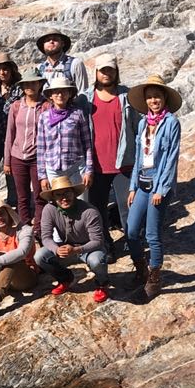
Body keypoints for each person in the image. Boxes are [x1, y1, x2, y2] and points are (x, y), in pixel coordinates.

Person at [125, 74, 183, 300]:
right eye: (149, 97)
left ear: (164, 98)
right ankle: (141, 268)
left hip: (159, 184)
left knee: (152, 234)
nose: (153, 101)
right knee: (130, 230)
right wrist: (132, 186)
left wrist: (161, 189)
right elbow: (138, 156)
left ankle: (155, 276)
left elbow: (171, 159)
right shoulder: (142, 124)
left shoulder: (171, 123)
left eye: (157, 96)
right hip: (142, 181)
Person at [84, 53, 139, 258]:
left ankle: (132, 245)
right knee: (96, 209)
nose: (106, 74)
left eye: (110, 70)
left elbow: (137, 127)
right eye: (102, 70)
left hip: (123, 164)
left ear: (116, 72)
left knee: (127, 209)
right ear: (96, 73)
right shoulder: (86, 98)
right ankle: (105, 245)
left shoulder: (128, 96)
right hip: (96, 165)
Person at [35, 173, 109, 303]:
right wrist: (56, 249)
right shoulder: (49, 209)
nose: (64, 198)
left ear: (74, 193)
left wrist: (77, 250)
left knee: (96, 260)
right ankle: (65, 278)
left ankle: (102, 283)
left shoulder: (89, 211)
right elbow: (45, 237)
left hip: (89, 248)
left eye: (67, 193)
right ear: (53, 197)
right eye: (58, 194)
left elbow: (98, 241)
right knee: (39, 256)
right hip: (66, 246)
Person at [4, 68, 47, 241]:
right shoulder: (16, 106)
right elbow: (10, 134)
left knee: (39, 195)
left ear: (40, 84)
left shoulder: (46, 106)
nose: (30, 86)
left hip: (38, 157)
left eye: (33, 83)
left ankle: (38, 229)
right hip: (17, 156)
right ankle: (24, 227)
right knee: (22, 196)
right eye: (26, 84)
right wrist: (7, 161)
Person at [36, 73, 93, 198]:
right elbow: (41, 148)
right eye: (56, 92)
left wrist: (89, 170)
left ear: (69, 94)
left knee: (82, 204)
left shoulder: (78, 114)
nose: (60, 95)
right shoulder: (44, 117)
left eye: (64, 91)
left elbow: (87, 144)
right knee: (60, 206)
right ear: (50, 95)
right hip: (53, 169)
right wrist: (42, 176)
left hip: (76, 167)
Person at [0, 51, 21, 201]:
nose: (2, 73)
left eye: (5, 69)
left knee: (11, 170)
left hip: (15, 136)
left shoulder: (19, 88)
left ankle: (14, 200)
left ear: (11, 69)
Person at [35, 28, 90, 94]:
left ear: (62, 44)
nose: (51, 41)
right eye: (47, 40)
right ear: (43, 45)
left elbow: (83, 92)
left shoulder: (75, 64)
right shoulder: (40, 68)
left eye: (55, 39)